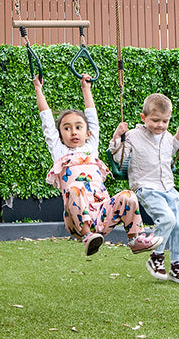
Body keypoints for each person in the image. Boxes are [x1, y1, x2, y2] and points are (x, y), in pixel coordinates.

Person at [34, 73, 160, 256]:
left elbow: (92, 117)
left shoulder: (91, 148)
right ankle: (87, 237)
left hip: (102, 213)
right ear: (60, 136)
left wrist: (86, 88)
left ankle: (136, 238)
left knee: (128, 196)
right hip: (76, 221)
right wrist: (38, 89)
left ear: (88, 133)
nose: (73, 132)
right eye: (67, 128)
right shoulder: (60, 152)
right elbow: (47, 122)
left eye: (78, 127)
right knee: (75, 188)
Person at [109, 93, 179, 283]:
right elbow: (117, 156)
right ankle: (156, 257)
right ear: (143, 118)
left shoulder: (167, 136)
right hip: (146, 186)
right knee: (167, 219)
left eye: (165, 121)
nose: (160, 125)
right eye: (155, 120)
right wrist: (117, 136)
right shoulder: (133, 136)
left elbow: (170, 151)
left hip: (168, 187)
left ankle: (176, 266)